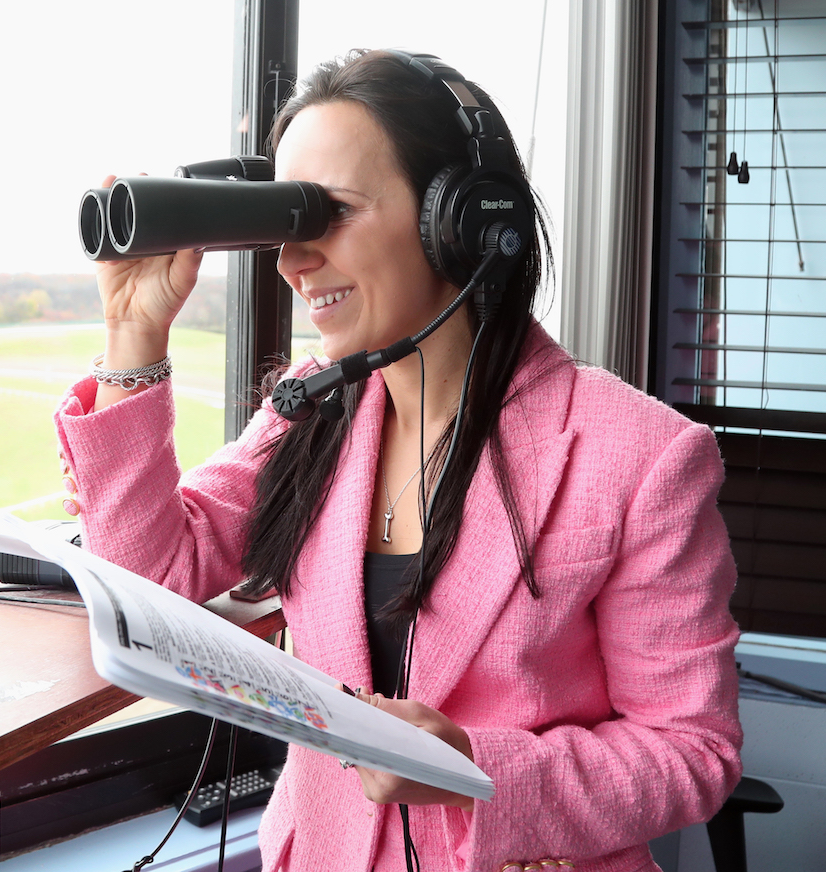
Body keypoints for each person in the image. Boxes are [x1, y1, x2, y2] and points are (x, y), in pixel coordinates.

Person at [54, 49, 741, 872]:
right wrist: (135, 336)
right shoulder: (314, 407)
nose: (293, 261)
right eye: (286, 223)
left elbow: (691, 751)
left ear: (461, 221)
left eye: (329, 213)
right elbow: (151, 578)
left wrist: (474, 773)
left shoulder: (643, 456)